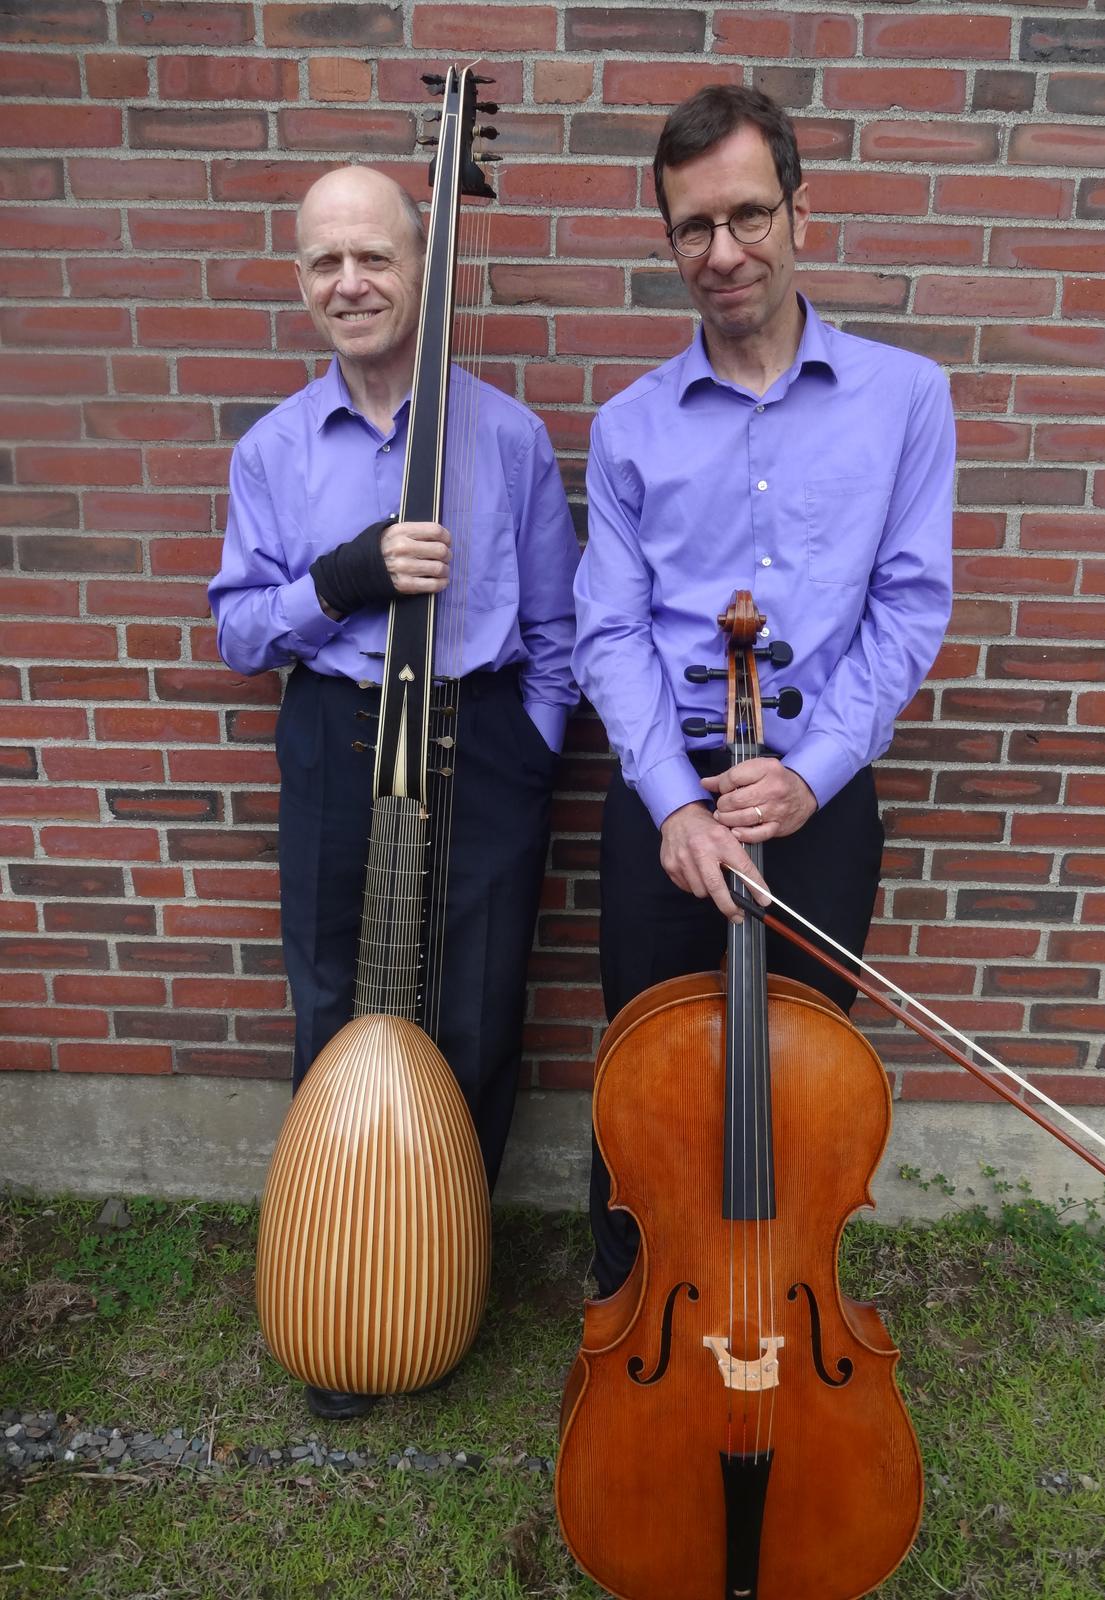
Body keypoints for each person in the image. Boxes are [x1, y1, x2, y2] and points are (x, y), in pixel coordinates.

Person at [573, 86, 956, 1297]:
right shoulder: (628, 426)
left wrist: (811, 771)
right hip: (667, 806)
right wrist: (677, 807)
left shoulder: (906, 399)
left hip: (818, 802)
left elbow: (908, 606)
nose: (724, 251)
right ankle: (631, 1311)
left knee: (799, 1086)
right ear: (669, 236)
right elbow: (610, 628)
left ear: (801, 208)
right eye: (694, 226)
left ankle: (776, 1317)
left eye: (749, 214)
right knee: (642, 1087)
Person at [209, 165, 579, 1415]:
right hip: (332, 733)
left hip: (481, 739)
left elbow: (555, 627)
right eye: (325, 262)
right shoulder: (274, 449)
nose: (350, 283)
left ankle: (441, 1266)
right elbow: (240, 632)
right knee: (333, 992)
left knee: (472, 1009)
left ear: (422, 270)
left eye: (373, 257)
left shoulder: (507, 435)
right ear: (302, 279)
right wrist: (344, 576)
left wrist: (524, 751)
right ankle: (346, 1267)